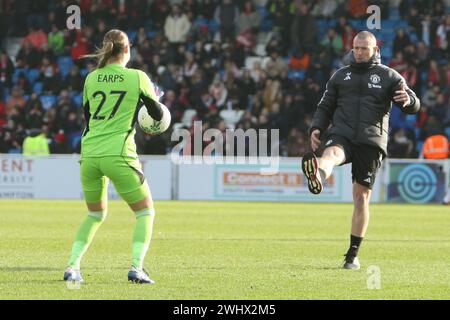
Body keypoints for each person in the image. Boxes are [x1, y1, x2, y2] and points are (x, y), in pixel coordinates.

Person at [301, 31, 420, 270]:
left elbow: (413, 103)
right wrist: (316, 128)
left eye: (364, 48)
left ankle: (352, 254)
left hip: (371, 141)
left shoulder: (389, 76)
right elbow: (325, 106)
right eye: (356, 48)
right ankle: (318, 174)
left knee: (361, 197)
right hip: (342, 133)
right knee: (331, 154)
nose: (359, 52)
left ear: (375, 50)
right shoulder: (340, 76)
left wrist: (408, 101)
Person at [64, 29, 165, 284]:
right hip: (119, 154)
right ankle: (136, 267)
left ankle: (73, 267)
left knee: (95, 215)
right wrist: (153, 101)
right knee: (145, 213)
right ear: (127, 50)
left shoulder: (91, 78)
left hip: (89, 155)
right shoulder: (137, 77)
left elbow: (88, 117)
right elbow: (157, 115)